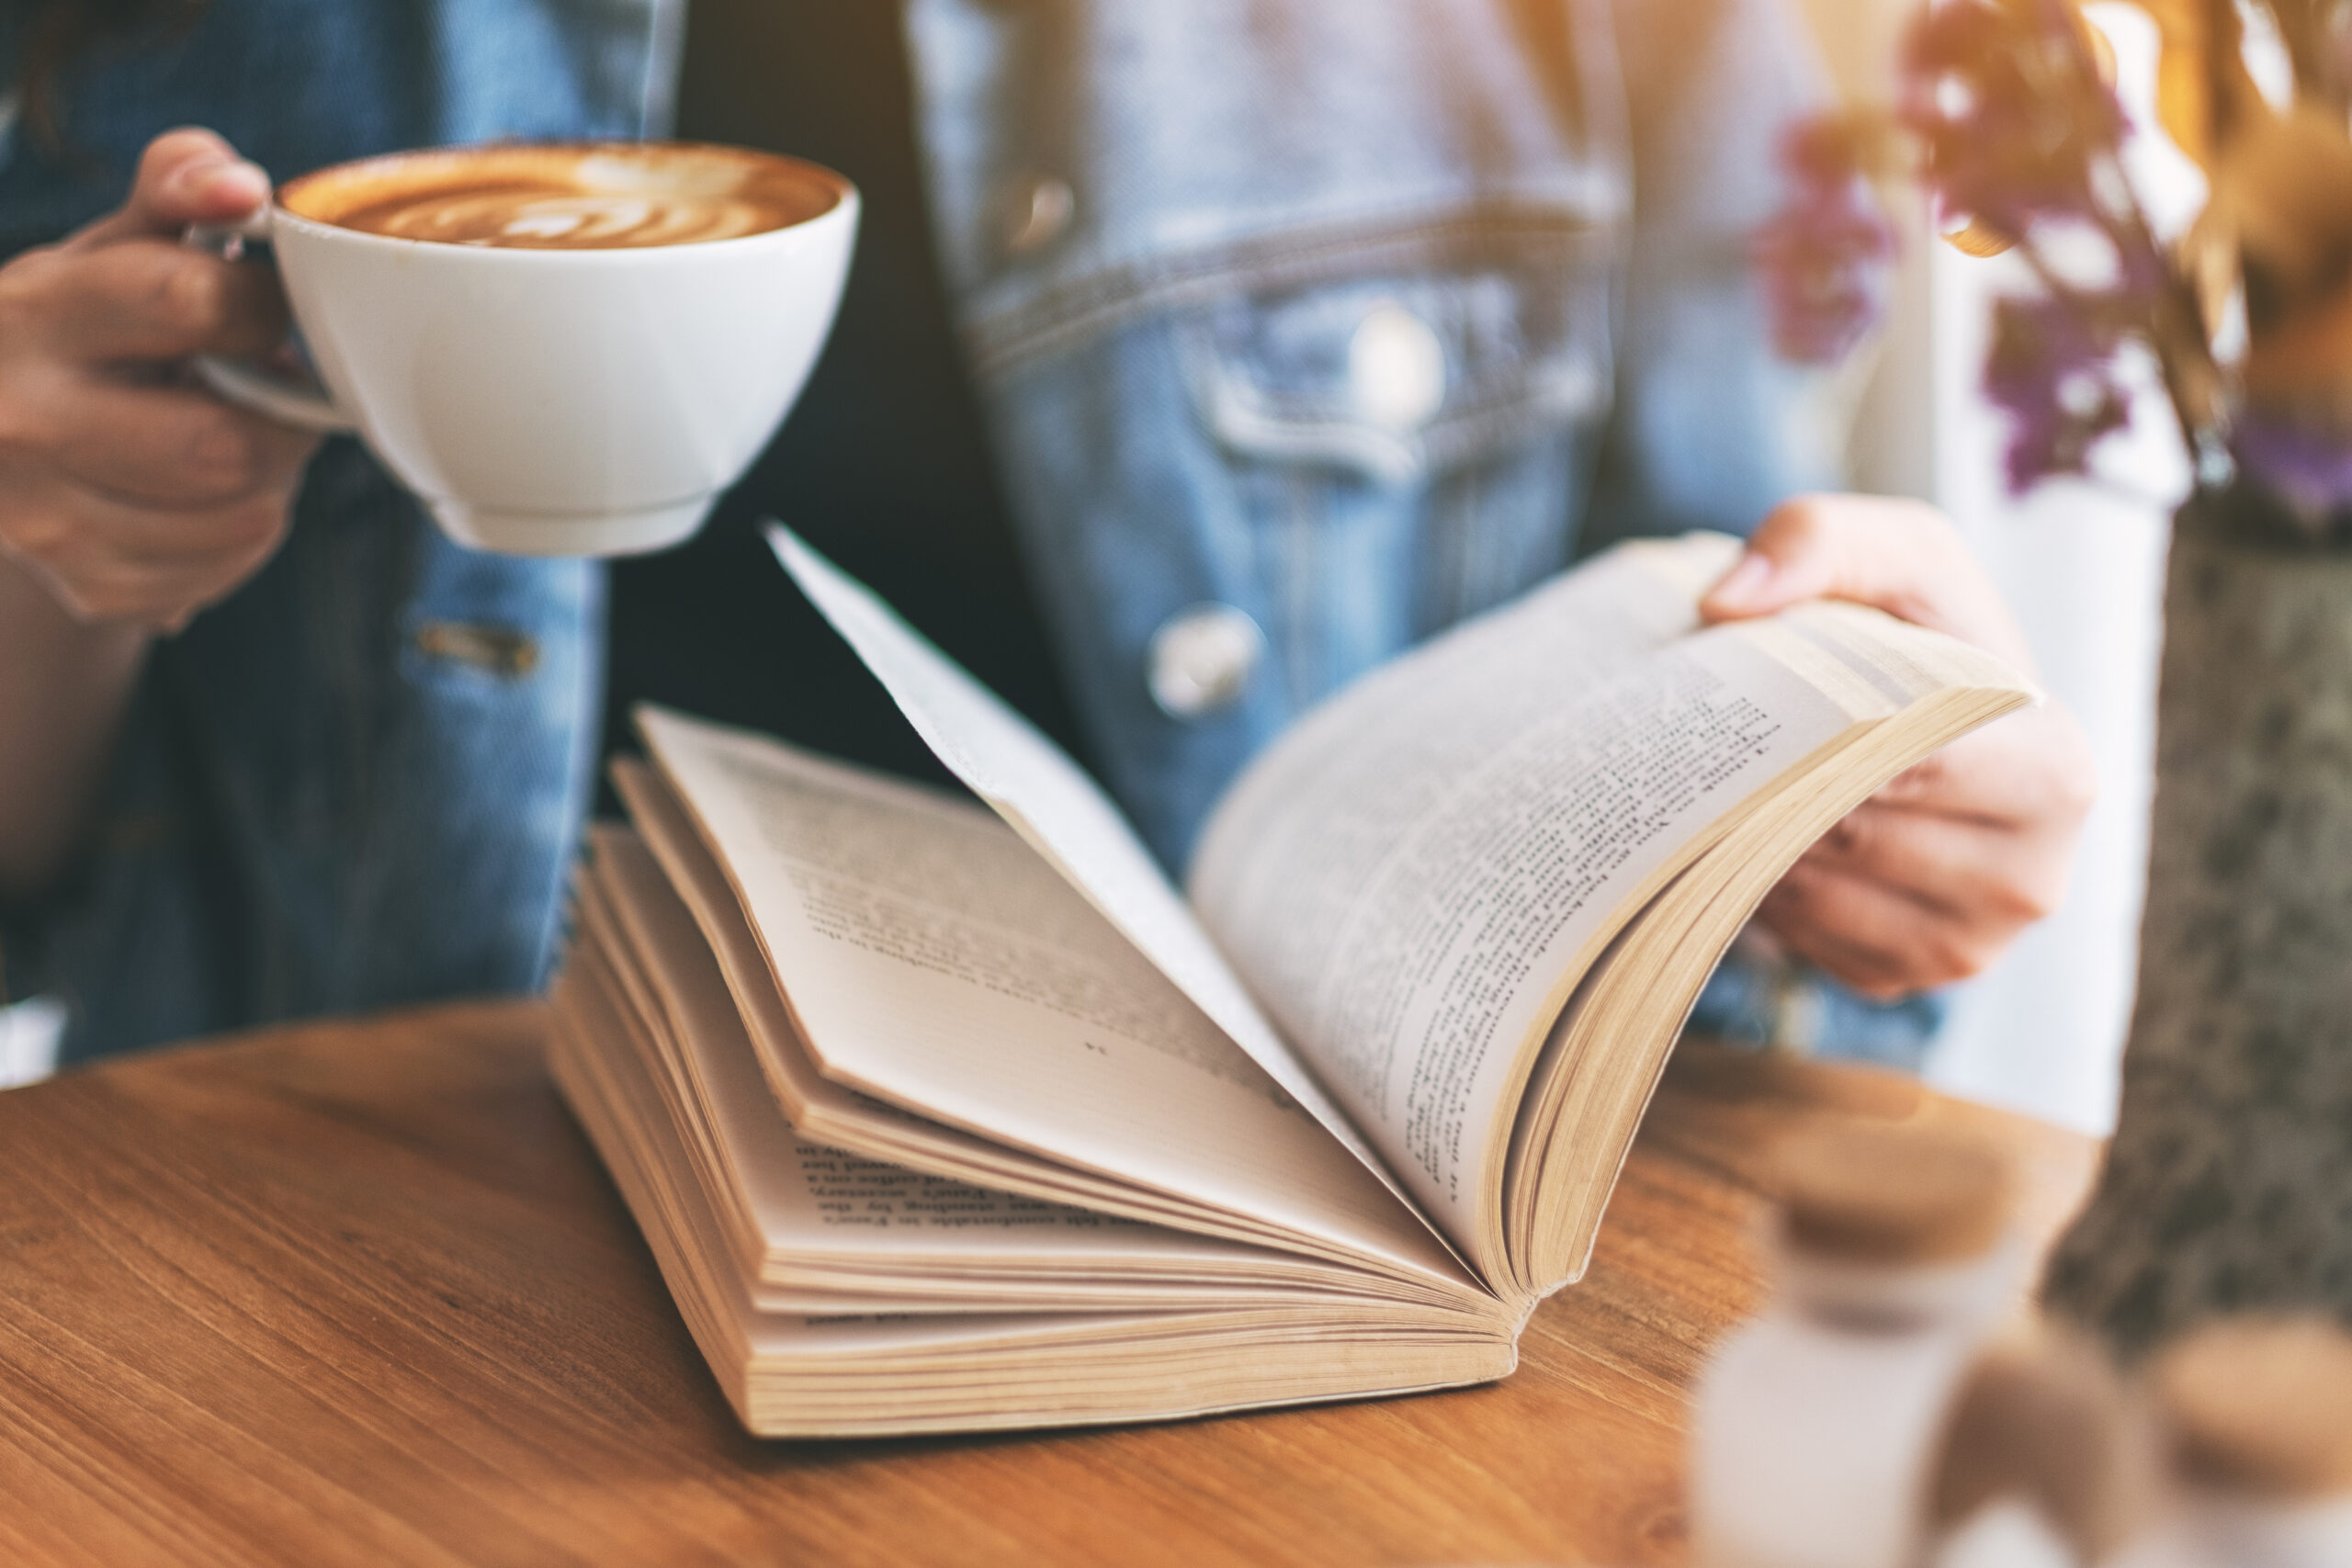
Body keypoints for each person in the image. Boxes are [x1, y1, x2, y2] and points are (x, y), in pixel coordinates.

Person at [0, 0, 2095, 1068]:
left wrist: (1854, 765)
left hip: (1244, 1303)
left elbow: (1695, 639)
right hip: (337, 1290)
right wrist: (54, 531)